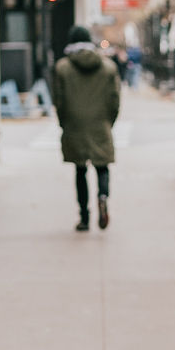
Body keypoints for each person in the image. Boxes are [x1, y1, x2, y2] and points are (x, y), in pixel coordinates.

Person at [53, 26, 120, 232]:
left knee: (80, 170)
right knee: (102, 166)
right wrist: (109, 121)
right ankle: (102, 196)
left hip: (75, 125)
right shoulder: (108, 67)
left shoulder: (63, 68)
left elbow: (59, 101)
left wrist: (64, 123)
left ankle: (84, 217)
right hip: (100, 123)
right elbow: (115, 100)